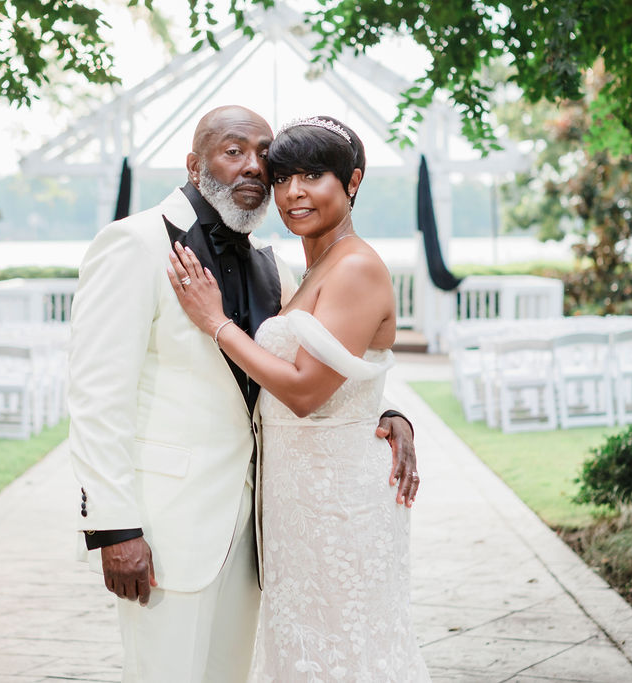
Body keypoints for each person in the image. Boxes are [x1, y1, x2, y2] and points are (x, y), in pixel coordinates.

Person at [68, 105, 420, 682]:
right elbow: (96, 397)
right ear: (194, 164)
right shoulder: (134, 243)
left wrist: (387, 411)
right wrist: (114, 526)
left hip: (261, 533)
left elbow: (315, 364)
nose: (255, 167)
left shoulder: (271, 267)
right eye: (234, 151)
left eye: (264, 155)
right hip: (168, 529)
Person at [167, 115, 431, 681]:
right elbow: (349, 368)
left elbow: (307, 392)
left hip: (339, 500)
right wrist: (389, 409)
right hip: (296, 500)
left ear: (352, 182)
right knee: (303, 647)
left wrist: (216, 323)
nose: (293, 192)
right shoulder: (307, 269)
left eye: (314, 175)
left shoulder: (355, 267)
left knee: (346, 646)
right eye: (283, 177)